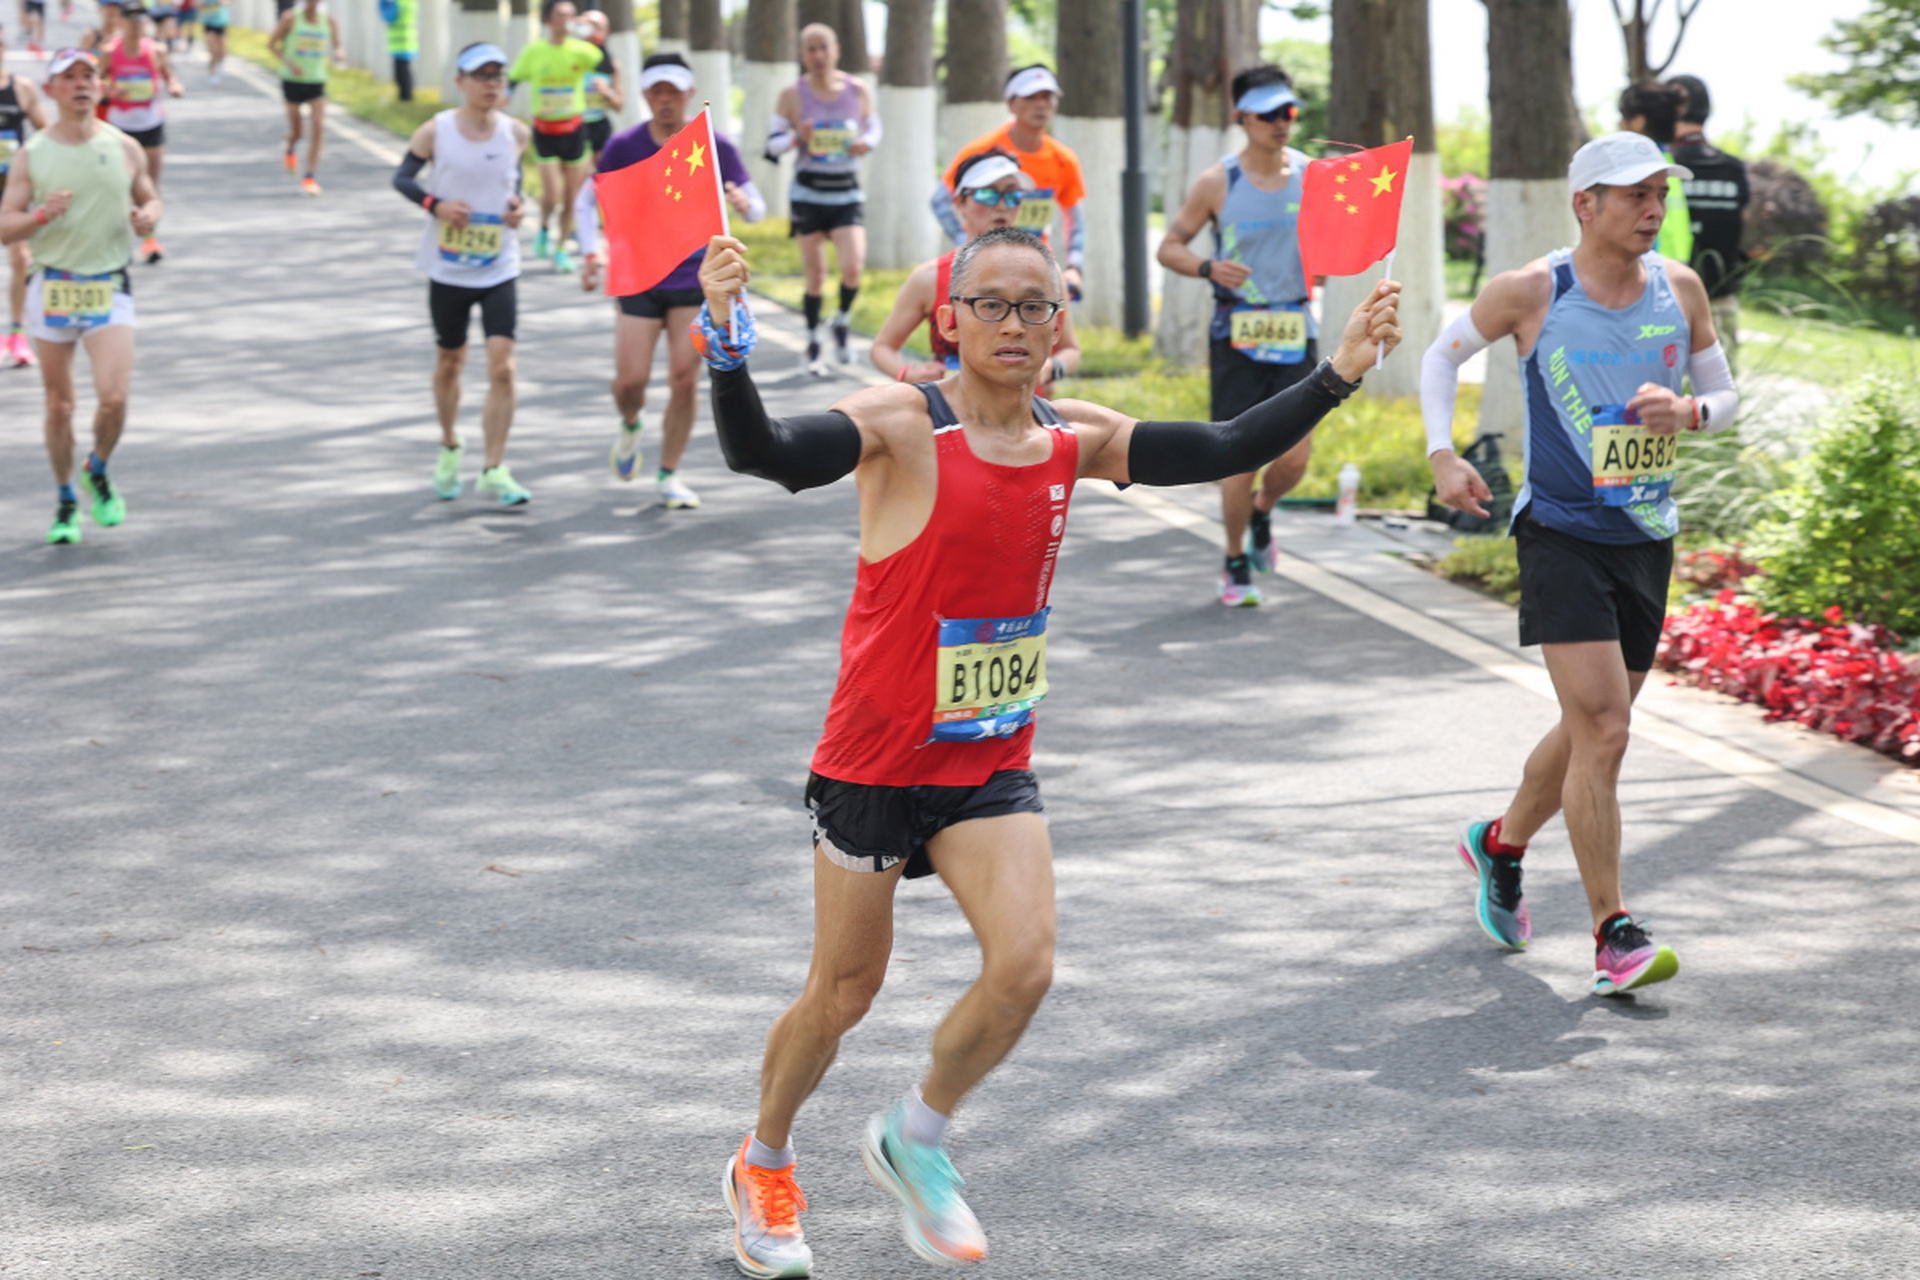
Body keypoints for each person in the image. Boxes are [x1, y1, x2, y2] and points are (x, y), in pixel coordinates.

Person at [695, 225, 1398, 1277]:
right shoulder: (898, 424)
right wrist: (722, 337)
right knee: (842, 995)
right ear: (951, 318)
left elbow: (1221, 449)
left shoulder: (1076, 436)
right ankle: (764, 1157)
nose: (1015, 322)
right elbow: (765, 455)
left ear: (1057, 323)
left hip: (986, 759)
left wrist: (1338, 371)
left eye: (1036, 304)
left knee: (1024, 965)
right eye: (993, 303)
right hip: (876, 760)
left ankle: (916, 1134)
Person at [1422, 132, 1741, 997]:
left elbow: (1724, 395)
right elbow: (1440, 354)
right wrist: (1442, 453)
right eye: (1634, 194)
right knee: (1604, 731)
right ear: (1584, 204)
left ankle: (1501, 843)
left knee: (1588, 725)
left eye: (1659, 195)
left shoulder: (1680, 287)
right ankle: (1614, 933)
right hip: (1560, 531)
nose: (1652, 208)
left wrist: (1690, 413)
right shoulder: (1533, 290)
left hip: (1647, 533)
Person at [1157, 63, 1318, 607]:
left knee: (1294, 457)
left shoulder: (1312, 176)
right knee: (1238, 455)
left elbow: (1341, 238)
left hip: (1296, 327)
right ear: (1242, 118)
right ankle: (1232, 557)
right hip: (1237, 333)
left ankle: (1264, 511)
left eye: (1288, 111)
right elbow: (1169, 247)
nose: (1281, 122)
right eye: (1269, 113)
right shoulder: (1216, 182)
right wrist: (1208, 269)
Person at [575, 52, 763, 509]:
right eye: (656, 91)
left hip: (694, 279)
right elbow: (587, 200)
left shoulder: (714, 145)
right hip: (639, 275)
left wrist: (742, 202)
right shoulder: (623, 146)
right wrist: (589, 250)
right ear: (644, 95)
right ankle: (631, 421)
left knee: (684, 378)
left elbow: (756, 207)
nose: (665, 100)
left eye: (673, 92)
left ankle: (669, 473)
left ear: (688, 94)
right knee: (630, 383)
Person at [0, 48, 163, 546]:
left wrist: (149, 217)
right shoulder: (35, 153)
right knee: (60, 407)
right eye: (67, 77)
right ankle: (66, 497)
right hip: (53, 284)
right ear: (50, 91)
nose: (80, 84)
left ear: (101, 85)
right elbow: (6, 228)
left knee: (113, 399)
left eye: (88, 75)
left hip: (108, 283)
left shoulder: (125, 146)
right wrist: (42, 216)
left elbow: (150, 196)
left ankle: (97, 467)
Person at [392, 42, 532, 506]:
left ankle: (494, 467)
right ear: (461, 82)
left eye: (499, 75)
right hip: (448, 268)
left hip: (499, 265)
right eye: (482, 75)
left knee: (503, 368)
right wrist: (437, 205)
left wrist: (517, 208)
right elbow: (403, 178)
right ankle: (450, 442)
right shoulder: (438, 130)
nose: (492, 83)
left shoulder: (516, 132)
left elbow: (514, 185)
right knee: (451, 362)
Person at [870, 147, 1079, 393]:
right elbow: (882, 348)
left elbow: (1070, 350)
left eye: (1012, 195)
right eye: (989, 195)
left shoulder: (1046, 270)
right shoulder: (930, 277)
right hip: (951, 417)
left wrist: (1051, 368)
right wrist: (908, 374)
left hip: (1025, 418)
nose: (1002, 206)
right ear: (960, 202)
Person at [766, 22, 878, 375]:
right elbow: (772, 144)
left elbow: (874, 127)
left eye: (823, 47)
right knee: (815, 276)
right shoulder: (792, 95)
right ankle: (813, 340)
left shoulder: (857, 89)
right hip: (808, 193)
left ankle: (841, 321)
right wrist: (796, 138)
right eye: (810, 49)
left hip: (846, 191)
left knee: (853, 267)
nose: (818, 55)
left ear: (836, 50)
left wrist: (867, 142)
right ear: (802, 55)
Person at [933, 65, 1085, 300]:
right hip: (984, 269)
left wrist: (1074, 267)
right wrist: (966, 245)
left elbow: (1074, 217)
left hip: (1036, 268)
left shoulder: (1064, 160)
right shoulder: (983, 152)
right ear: (1011, 104)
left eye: (1047, 97)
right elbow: (940, 201)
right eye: (1030, 97)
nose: (1041, 104)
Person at [507, 0, 599, 272]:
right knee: (552, 194)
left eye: (571, 15)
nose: (566, 20)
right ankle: (544, 226)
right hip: (545, 131)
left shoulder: (583, 51)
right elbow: (513, 78)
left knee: (572, 195)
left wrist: (590, 29)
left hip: (574, 130)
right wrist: (504, 99)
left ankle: (561, 248)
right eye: (561, 15)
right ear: (548, 20)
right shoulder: (534, 52)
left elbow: (603, 61)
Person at [1668, 74, 1750, 370]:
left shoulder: (1663, 170)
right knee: (1716, 406)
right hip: (1720, 301)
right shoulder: (1734, 168)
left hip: (1665, 304)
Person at [101, 2, 183, 264]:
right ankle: (119, 244)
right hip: (120, 128)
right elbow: (98, 85)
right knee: (120, 188)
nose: (136, 23)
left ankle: (150, 241)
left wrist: (174, 85)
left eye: (141, 18)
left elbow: (169, 76)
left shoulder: (157, 50)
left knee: (150, 186)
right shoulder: (110, 51)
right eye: (131, 18)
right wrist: (111, 92)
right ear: (122, 21)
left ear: (146, 22)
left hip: (150, 124)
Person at [1, 25, 53, 368]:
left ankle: (17, 334)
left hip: (12, 192)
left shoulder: (21, 88)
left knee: (21, 259)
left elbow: (47, 137)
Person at [269, 0, 341, 196]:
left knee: (318, 126)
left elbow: (338, 46)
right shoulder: (290, 18)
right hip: (292, 80)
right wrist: (289, 63)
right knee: (298, 132)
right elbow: (272, 44)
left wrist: (340, 54)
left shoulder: (329, 21)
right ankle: (290, 147)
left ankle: (310, 177)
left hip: (316, 80)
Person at [1616, 80, 1692, 264]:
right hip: (1674, 266)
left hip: (1650, 269)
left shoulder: (1637, 169)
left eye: (1623, 116)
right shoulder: (1667, 162)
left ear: (1638, 122)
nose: (1618, 124)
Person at [576, 9, 622, 165]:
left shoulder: (612, 65)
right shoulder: (571, 58)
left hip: (599, 126)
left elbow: (619, 105)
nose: (593, 32)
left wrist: (606, 91)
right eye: (588, 26)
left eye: (598, 27)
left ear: (606, 31)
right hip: (574, 124)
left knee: (600, 176)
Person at [380, 0, 418, 103]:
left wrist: (383, 3)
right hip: (407, 41)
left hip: (400, 43)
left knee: (401, 74)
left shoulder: (397, 2)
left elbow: (389, 16)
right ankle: (406, 98)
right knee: (404, 72)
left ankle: (406, 99)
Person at [199, 0, 229, 84]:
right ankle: (212, 73)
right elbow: (197, 5)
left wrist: (222, 2)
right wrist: (205, 5)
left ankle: (220, 65)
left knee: (222, 50)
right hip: (209, 23)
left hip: (221, 22)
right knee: (213, 51)